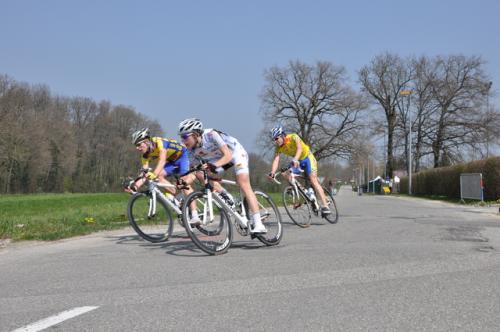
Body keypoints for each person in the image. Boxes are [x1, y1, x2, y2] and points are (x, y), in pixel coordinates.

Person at [177, 118, 267, 234]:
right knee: (201, 173)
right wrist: (184, 182)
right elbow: (194, 172)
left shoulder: (211, 135)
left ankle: (259, 223)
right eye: (181, 137)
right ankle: (229, 198)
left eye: (185, 137)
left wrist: (214, 166)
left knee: (243, 183)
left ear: (195, 134)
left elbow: (228, 156)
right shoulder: (190, 150)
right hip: (218, 159)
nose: (183, 140)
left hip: (235, 154)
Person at [125, 128, 200, 222]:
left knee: (184, 183)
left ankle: (195, 215)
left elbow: (162, 161)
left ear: (147, 142)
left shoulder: (159, 142)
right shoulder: (145, 155)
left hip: (183, 156)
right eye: (136, 145)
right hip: (172, 162)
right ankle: (176, 195)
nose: (137, 148)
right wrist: (135, 186)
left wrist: (154, 174)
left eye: (139, 144)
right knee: (159, 176)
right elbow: (144, 173)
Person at [268, 126, 331, 216]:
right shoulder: (278, 148)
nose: (275, 141)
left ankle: (325, 206)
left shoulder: (293, 137)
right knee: (285, 173)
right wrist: (272, 172)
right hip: (298, 161)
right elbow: (276, 159)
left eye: (276, 138)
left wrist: (295, 159)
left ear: (282, 135)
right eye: (273, 139)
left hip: (308, 158)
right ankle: (304, 192)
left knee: (313, 180)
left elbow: (300, 148)